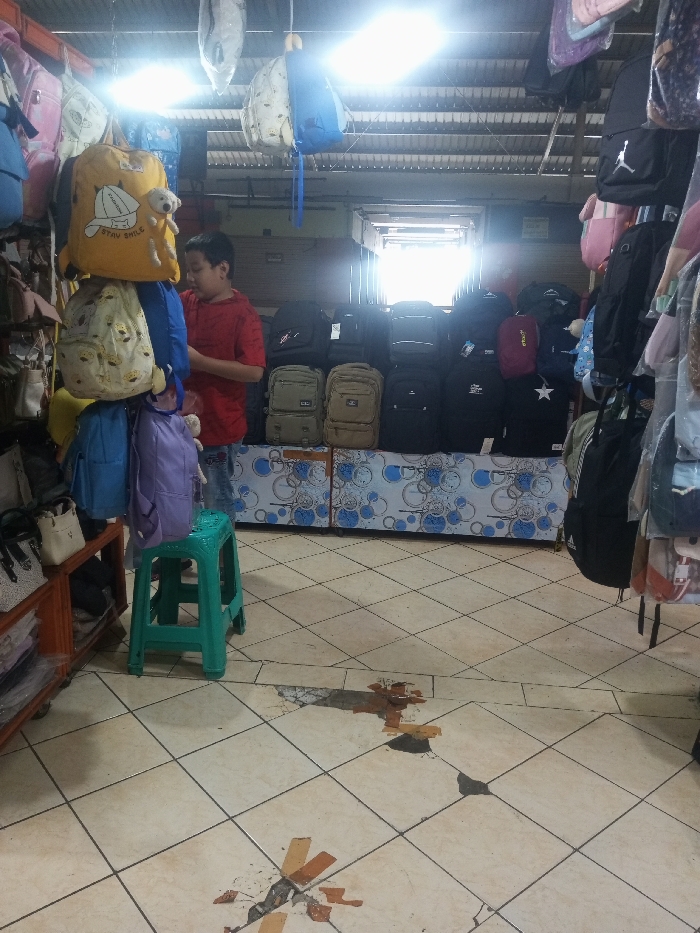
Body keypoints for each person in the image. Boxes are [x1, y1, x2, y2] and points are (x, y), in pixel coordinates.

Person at [182, 232, 265, 524]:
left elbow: (254, 371)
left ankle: (220, 553)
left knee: (215, 497)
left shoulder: (243, 315)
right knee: (182, 496)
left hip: (219, 428)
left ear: (223, 268)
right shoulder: (186, 302)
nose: (190, 278)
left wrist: (200, 362)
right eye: (187, 270)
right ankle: (185, 546)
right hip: (181, 425)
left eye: (196, 269)